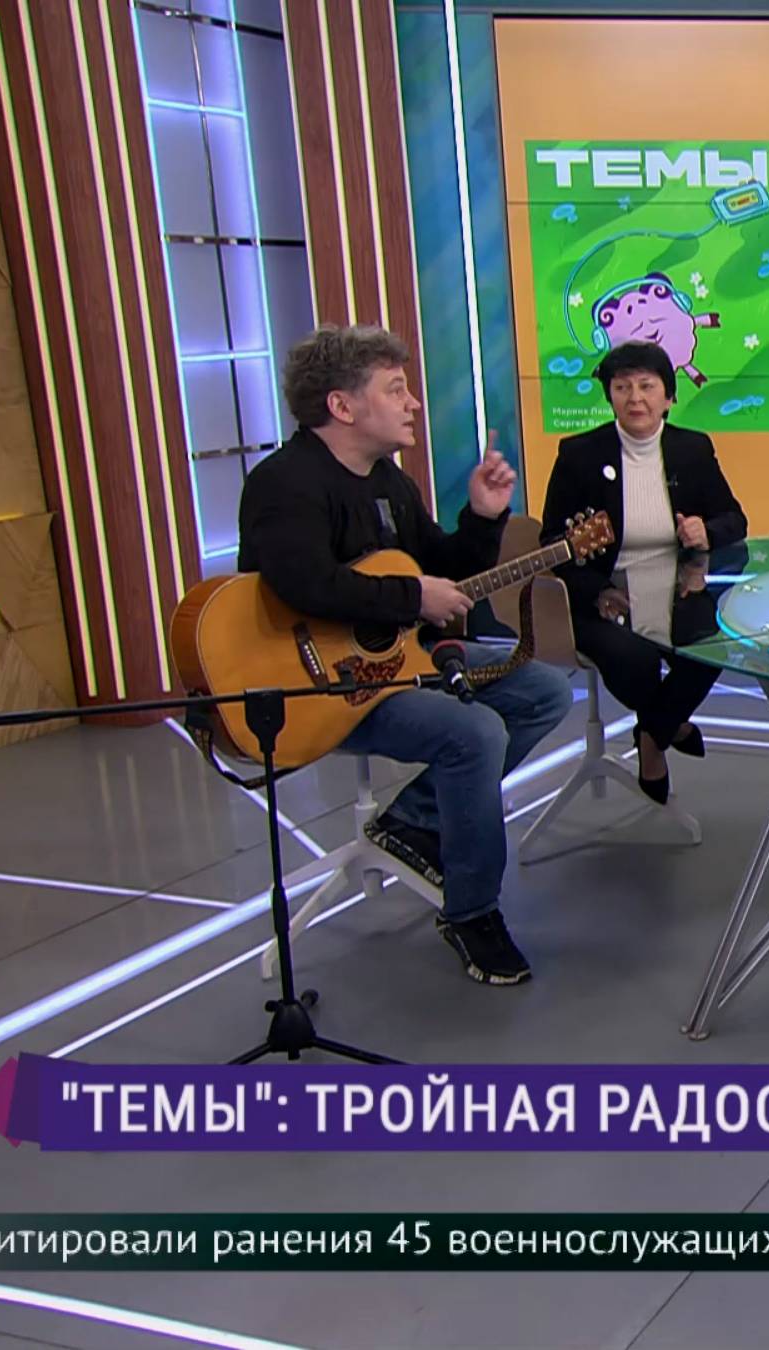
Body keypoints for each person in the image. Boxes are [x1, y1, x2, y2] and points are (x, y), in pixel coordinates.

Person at [238, 324, 573, 987]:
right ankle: (472, 910)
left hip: (400, 659)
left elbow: (441, 572)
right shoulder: (284, 484)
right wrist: (410, 596)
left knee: (544, 691)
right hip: (320, 688)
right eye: (395, 390)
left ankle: (414, 821)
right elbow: (305, 584)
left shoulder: (388, 482)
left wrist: (482, 516)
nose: (413, 402)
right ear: (342, 406)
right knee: (474, 731)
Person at [542, 340, 747, 803]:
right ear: (610, 396)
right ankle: (668, 724)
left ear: (668, 397)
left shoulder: (692, 449)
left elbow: (735, 520)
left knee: (712, 647)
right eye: (622, 387)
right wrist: (596, 589)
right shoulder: (579, 454)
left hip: (677, 587)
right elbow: (552, 541)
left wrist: (706, 531)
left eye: (647, 386)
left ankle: (652, 733)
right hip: (600, 594)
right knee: (632, 658)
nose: (635, 398)